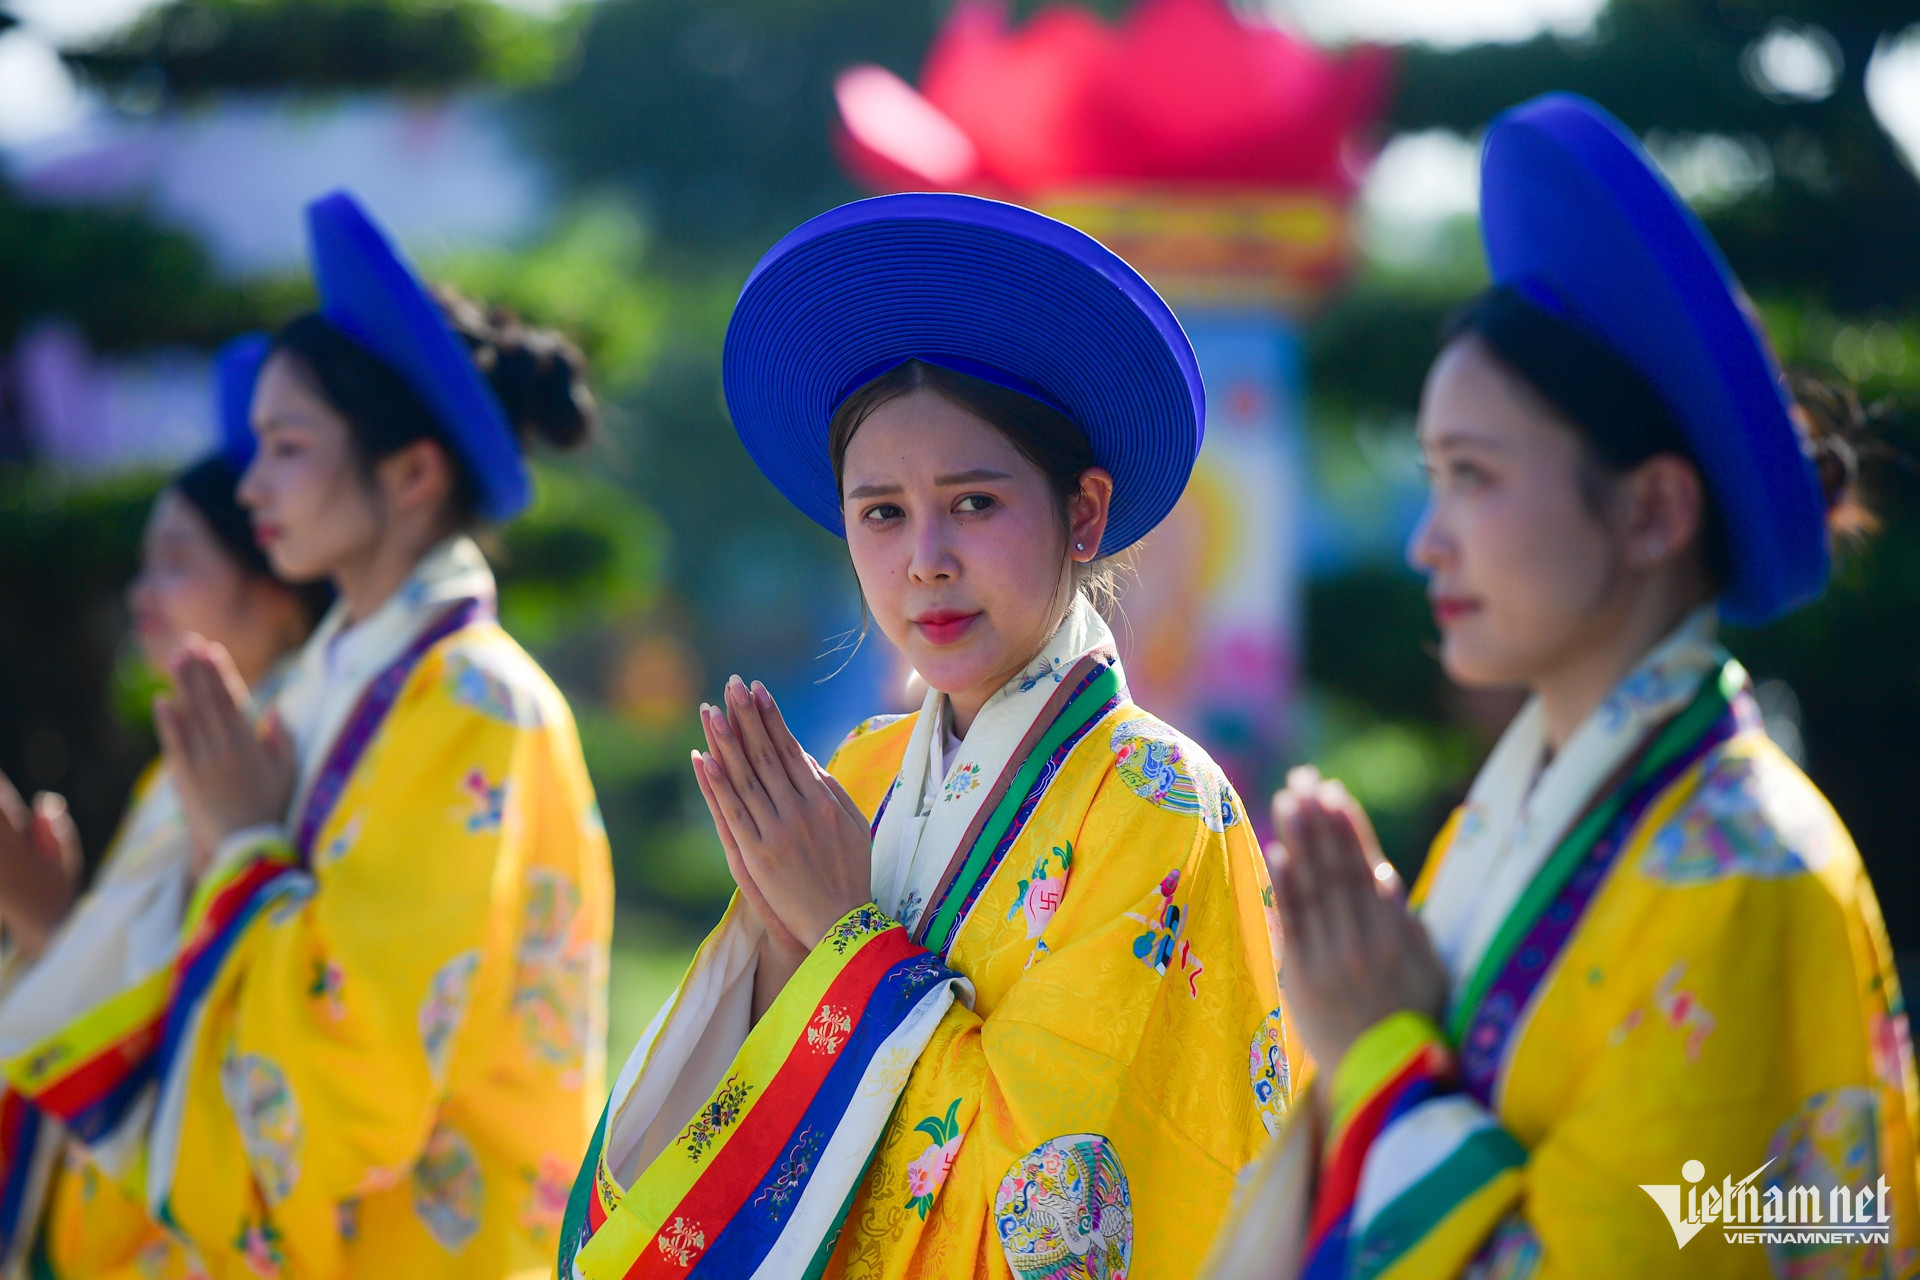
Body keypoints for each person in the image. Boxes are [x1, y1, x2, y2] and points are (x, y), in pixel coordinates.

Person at [1202, 93, 1917, 1280]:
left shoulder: (1752, 873)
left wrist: (1379, 1052)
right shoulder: (1527, 816)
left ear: (1650, 510)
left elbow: (1699, 1246)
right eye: (1430, 478)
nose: (1428, 540)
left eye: (1473, 477)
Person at [559, 193, 1291, 1280]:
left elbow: (1066, 1216)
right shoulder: (859, 771)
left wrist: (844, 941)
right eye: (882, 512)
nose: (925, 560)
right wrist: (772, 949)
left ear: (1084, 512)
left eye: (977, 503)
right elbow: (723, 1136)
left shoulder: (1157, 803)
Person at [23, 190, 614, 1280]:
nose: (250, 486)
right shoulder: (338, 685)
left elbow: (367, 1063)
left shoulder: (476, 702)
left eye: (287, 447)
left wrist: (246, 848)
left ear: (410, 473)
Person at [0, 334, 330, 1276]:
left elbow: (198, 1030)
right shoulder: (186, 767)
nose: (143, 595)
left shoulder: (284, 760)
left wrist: (43, 917)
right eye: (143, 566)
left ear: (274, 593)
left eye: (177, 561)